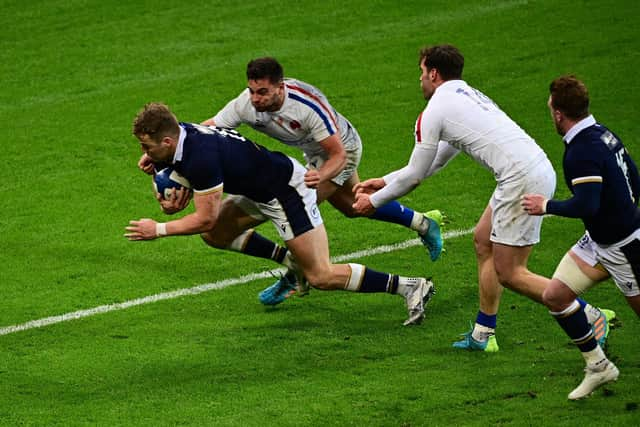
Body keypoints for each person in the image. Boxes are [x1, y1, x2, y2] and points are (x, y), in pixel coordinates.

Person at [353, 44, 610, 351]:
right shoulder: (467, 96)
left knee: (511, 273)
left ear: (433, 74)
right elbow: (433, 162)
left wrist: (375, 201)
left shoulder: (435, 110)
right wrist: (383, 181)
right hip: (529, 170)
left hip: (520, 179)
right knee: (482, 239)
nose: (420, 79)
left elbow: (416, 176)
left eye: (421, 73)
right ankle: (483, 334)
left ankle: (588, 315)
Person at [125, 102, 435, 326]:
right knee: (216, 234)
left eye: (147, 146)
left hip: (287, 193)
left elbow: (205, 215)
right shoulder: (184, 135)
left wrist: (159, 229)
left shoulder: (200, 159)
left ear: (167, 140)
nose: (145, 152)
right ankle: (290, 262)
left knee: (322, 276)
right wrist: (157, 163)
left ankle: (409, 286)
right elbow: (203, 209)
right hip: (259, 188)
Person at [193, 57, 443, 302]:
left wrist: (321, 175)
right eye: (252, 91)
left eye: (262, 92)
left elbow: (338, 154)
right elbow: (208, 130)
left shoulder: (307, 106)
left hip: (341, 150)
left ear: (280, 88)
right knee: (352, 206)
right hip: (314, 153)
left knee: (293, 213)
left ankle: (296, 273)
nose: (255, 98)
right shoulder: (245, 104)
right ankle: (422, 223)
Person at [521, 75, 640, 399]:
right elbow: (635, 179)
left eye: (550, 110)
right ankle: (599, 366)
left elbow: (587, 203)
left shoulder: (581, 152)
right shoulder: (604, 134)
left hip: (623, 247)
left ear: (559, 113)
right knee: (555, 296)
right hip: (598, 242)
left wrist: (545, 205)